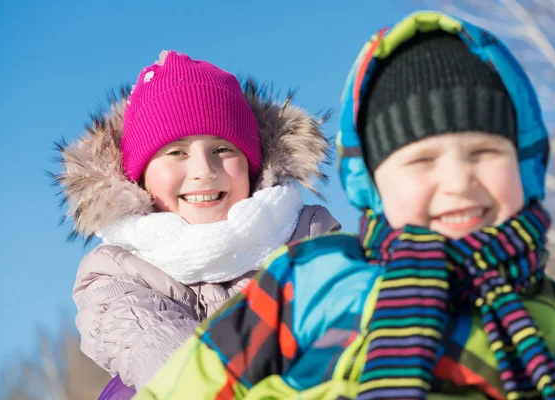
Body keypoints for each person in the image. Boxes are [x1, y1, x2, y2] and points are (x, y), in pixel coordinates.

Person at [134, 12, 555, 400]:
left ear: (526, 163)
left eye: (483, 153)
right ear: (373, 183)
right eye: (423, 161)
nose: (458, 181)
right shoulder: (312, 282)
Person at [54, 49, 341, 397]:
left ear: (252, 165)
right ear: (139, 178)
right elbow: (153, 346)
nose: (204, 170)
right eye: (176, 152)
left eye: (223, 149)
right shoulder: (116, 274)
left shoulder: (310, 242)